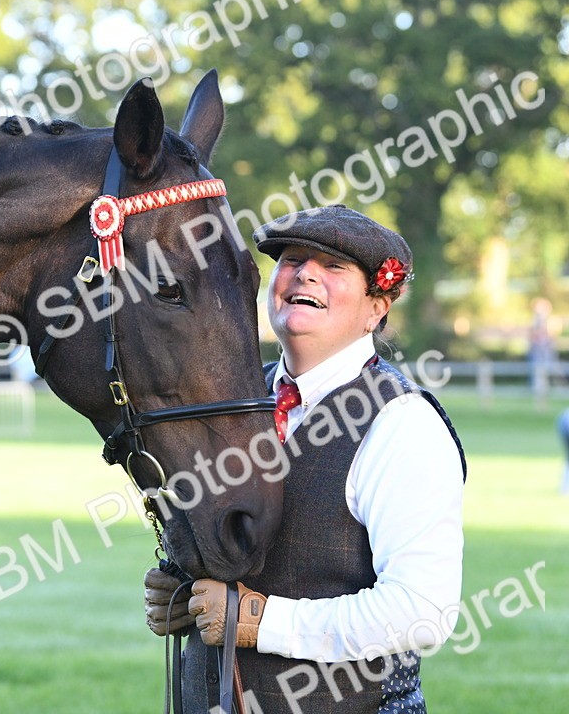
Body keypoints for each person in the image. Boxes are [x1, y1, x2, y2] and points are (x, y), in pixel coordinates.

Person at [144, 205, 466, 714]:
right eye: (291, 259)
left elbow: (422, 611)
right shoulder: (231, 400)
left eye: (333, 267)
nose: (305, 272)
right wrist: (181, 590)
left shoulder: (402, 423)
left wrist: (260, 621)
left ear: (376, 307)